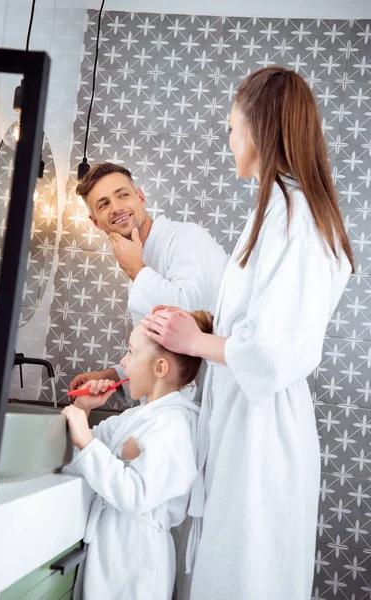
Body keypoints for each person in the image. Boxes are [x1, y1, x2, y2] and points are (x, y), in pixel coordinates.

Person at [142, 66, 355, 600]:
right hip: (247, 427)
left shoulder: (294, 216)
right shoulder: (277, 211)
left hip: (264, 436)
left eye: (232, 126)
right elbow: (250, 328)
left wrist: (192, 342)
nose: (228, 138)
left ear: (259, 129)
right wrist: (193, 329)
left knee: (248, 577)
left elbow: (273, 349)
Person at [61, 311, 213, 600]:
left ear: (160, 368)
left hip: (137, 563)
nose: (122, 363)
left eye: (130, 352)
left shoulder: (175, 426)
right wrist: (83, 409)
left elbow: (135, 494)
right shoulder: (134, 418)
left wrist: (86, 440)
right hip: (112, 553)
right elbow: (80, 457)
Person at [69, 162, 226, 393]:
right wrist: (114, 375)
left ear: (140, 197)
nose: (116, 208)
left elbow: (192, 317)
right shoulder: (140, 264)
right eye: (104, 204)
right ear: (95, 222)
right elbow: (157, 349)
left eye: (123, 195)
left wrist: (135, 269)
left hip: (206, 400)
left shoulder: (188, 239)